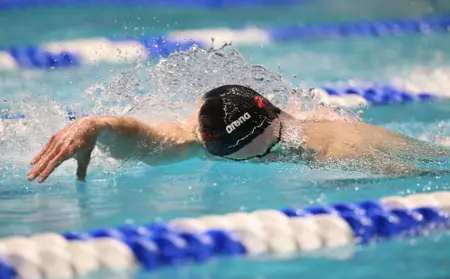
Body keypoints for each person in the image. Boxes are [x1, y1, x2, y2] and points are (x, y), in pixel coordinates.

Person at [28, 85, 450, 183]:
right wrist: (93, 124)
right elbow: (142, 138)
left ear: (279, 119)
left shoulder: (337, 144)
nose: (265, 158)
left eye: (273, 146)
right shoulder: (197, 142)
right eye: (248, 157)